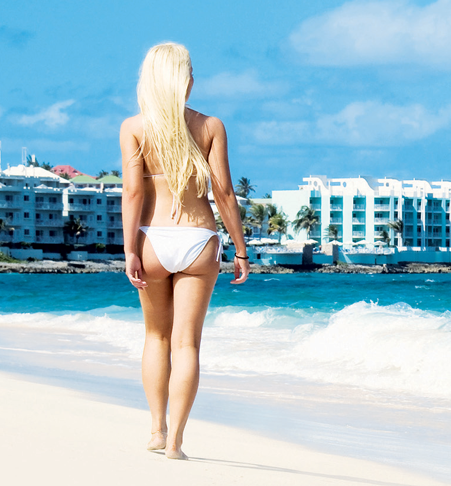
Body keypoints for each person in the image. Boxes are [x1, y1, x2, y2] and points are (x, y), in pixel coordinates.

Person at [119, 42, 249, 460]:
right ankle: (176, 442)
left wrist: (130, 251)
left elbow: (133, 192)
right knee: (187, 345)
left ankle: (156, 430)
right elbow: (225, 193)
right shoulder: (210, 126)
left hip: (153, 239)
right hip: (198, 241)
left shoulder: (134, 127)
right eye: (190, 72)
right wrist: (241, 251)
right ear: (183, 79)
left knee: (156, 337)